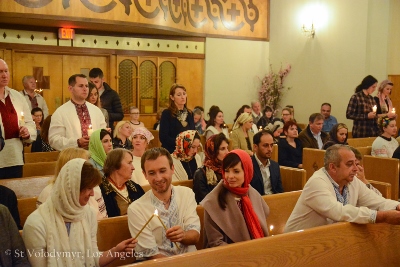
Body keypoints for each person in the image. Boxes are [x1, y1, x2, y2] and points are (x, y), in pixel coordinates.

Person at [23, 159, 137, 266]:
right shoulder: (36, 223)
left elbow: (93, 258)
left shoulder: (88, 214)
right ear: (72, 188)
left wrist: (116, 251)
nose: (92, 194)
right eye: (88, 188)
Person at [284, 145, 400, 233]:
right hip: (296, 243)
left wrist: (396, 206)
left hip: (328, 239)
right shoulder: (317, 182)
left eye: (356, 163)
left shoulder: (352, 181)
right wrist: (382, 216)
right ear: (333, 167)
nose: (356, 169)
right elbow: (339, 212)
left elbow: (378, 202)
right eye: (350, 164)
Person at [128, 147, 200, 259]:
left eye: (162, 171)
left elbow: (195, 236)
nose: (158, 178)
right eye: (152, 173)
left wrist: (183, 235)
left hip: (191, 260)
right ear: (145, 174)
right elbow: (151, 255)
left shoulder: (186, 194)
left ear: (172, 169)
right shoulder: (136, 209)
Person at [201, 149, 269, 247]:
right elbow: (215, 242)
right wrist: (243, 252)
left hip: (255, 250)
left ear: (247, 172)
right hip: (227, 256)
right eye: (227, 171)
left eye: (236, 171)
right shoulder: (213, 201)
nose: (230, 176)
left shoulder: (250, 192)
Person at [49, 74, 107, 151]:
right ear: (70, 88)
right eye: (80, 86)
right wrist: (77, 142)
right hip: (72, 157)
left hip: (94, 156)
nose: (85, 89)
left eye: (86, 86)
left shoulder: (96, 111)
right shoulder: (60, 112)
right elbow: (54, 140)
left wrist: (104, 134)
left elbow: (103, 135)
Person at [0, 59, 36, 179]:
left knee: (12, 194)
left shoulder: (17, 96)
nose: (4, 75)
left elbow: (30, 123)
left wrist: (27, 132)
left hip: (15, 157)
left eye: (6, 71)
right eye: (0, 72)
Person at [100, 149, 144, 217]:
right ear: (116, 165)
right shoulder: (101, 191)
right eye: (129, 163)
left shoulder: (136, 188)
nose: (133, 168)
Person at [193, 133, 229, 203]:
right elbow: (204, 202)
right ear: (213, 151)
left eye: (227, 148)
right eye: (222, 149)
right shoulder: (201, 174)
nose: (227, 152)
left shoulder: (228, 169)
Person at [159, 83, 195, 153]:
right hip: (171, 151)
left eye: (184, 94)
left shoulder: (190, 113)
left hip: (187, 151)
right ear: (172, 97)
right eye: (179, 95)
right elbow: (163, 137)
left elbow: (193, 133)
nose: (183, 97)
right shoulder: (167, 113)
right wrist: (181, 142)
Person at [250, 130, 283, 195]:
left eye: (271, 145)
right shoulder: (249, 165)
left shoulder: (275, 165)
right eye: (265, 145)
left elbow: (280, 191)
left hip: (273, 201)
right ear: (255, 147)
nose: (270, 149)